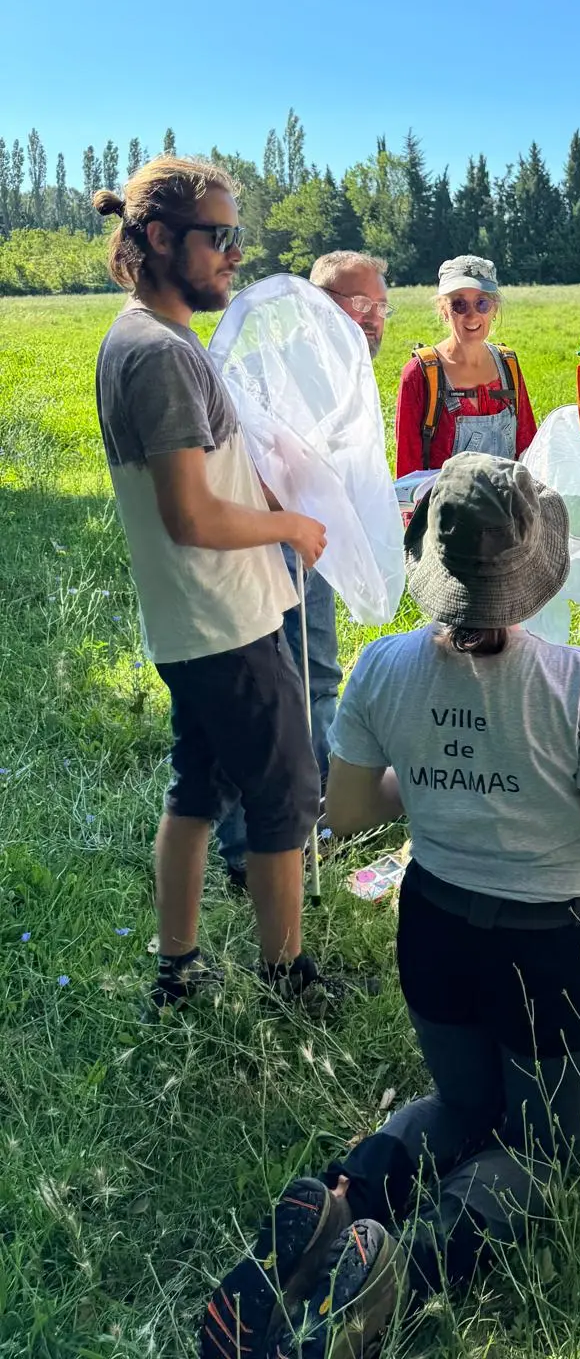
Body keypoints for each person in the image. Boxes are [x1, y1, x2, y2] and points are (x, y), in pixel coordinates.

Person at [200, 454, 580, 1357]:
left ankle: (340, 1202)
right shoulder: (572, 679)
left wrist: (437, 782)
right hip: (550, 943)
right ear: (531, 571)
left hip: (436, 926)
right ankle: (396, 1267)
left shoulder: (381, 669)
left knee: (460, 1101)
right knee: (547, 1151)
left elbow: (355, 808)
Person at [92, 156, 333, 1014]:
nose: (236, 253)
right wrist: (291, 528)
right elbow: (189, 517)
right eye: (219, 237)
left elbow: (204, 482)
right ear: (159, 239)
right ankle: (287, 979)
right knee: (287, 792)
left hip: (197, 619)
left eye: (238, 235)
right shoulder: (157, 353)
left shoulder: (149, 338)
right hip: (222, 617)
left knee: (198, 787)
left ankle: (179, 969)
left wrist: (263, 494)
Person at [214, 249, 391, 889]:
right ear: (315, 307)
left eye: (380, 307)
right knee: (263, 690)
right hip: (255, 554)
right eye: (357, 304)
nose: (372, 320)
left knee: (318, 680)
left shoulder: (350, 376)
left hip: (311, 551)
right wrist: (289, 510)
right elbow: (234, 470)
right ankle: (246, 849)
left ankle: (313, 824)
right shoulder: (262, 367)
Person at [394, 255, 536, 475]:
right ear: (443, 309)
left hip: (507, 508)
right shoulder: (420, 374)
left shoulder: (509, 366)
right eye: (459, 304)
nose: (472, 316)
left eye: (482, 303)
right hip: (446, 509)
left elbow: (528, 449)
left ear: (494, 308)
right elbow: (408, 474)